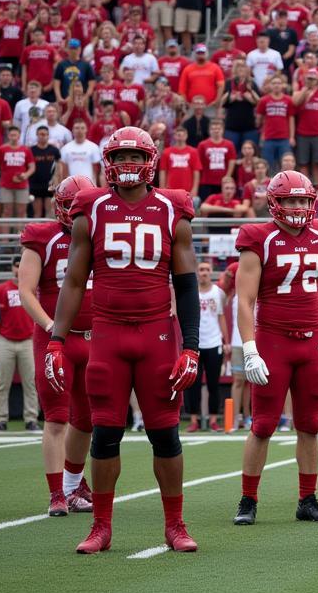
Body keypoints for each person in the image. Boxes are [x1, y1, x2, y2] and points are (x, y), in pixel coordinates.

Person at [45, 127, 202, 554]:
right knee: (105, 434)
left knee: (165, 434)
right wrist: (57, 340)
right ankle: (101, 526)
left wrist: (190, 346)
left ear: (150, 159)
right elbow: (74, 281)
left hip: (156, 333)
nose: (128, 163)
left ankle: (175, 524)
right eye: (121, 155)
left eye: (135, 154)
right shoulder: (92, 206)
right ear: (106, 162)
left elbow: (187, 285)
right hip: (108, 334)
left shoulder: (172, 208)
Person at [232, 171, 318, 526]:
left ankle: (307, 499)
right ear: (275, 203)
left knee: (310, 424)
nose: (297, 207)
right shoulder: (258, 237)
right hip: (273, 340)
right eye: (291, 200)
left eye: (303, 201)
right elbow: (245, 301)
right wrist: (250, 348)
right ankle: (248, 499)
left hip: (312, 341)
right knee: (263, 424)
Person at [18, 176, 95, 513]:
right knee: (56, 418)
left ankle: (74, 482)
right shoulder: (43, 238)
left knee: (88, 419)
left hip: (93, 339)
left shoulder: (101, 236)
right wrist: (53, 327)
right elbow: (25, 291)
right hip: (56, 341)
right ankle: (57, 494)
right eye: (70, 206)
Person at [0, 257, 40, 432]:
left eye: (21, 266)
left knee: (30, 383)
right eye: (16, 266)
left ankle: (31, 419)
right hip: (6, 340)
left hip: (28, 340)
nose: (19, 269)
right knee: (2, 383)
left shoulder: (33, 288)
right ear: (12, 268)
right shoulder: (3, 289)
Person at [184, 262, 228, 434]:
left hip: (214, 342)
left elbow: (221, 317)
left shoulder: (218, 293)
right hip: (195, 343)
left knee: (213, 384)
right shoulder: (192, 291)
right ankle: (194, 420)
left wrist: (226, 341)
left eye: (207, 270)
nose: (204, 273)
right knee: (193, 383)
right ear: (197, 273)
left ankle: (213, 420)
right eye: (201, 270)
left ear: (211, 273)